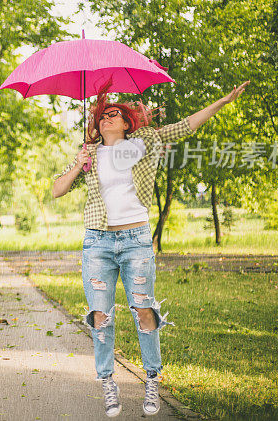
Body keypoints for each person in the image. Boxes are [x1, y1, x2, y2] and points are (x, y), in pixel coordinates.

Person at [52, 79, 250, 417]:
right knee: (100, 316)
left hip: (135, 241)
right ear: (97, 126)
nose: (108, 117)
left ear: (128, 122)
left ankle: (151, 378)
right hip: (98, 242)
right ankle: (107, 382)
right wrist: (79, 162)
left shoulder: (144, 143)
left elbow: (186, 125)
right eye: (103, 115)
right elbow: (56, 190)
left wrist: (225, 100)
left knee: (144, 312)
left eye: (115, 113)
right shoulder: (91, 154)